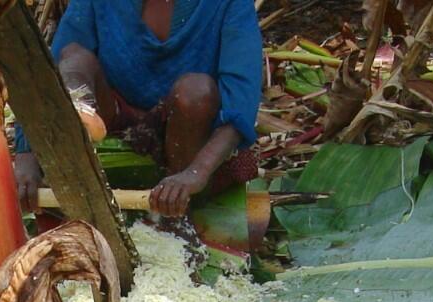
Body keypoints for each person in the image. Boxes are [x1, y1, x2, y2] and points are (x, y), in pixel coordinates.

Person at [14, 0, 263, 217]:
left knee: (196, 91)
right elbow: (52, 70)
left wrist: (196, 173)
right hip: (113, 120)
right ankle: (79, 156)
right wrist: (27, 155)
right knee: (75, 58)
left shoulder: (229, 4)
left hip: (188, 137)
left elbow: (240, 104)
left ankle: (178, 211)